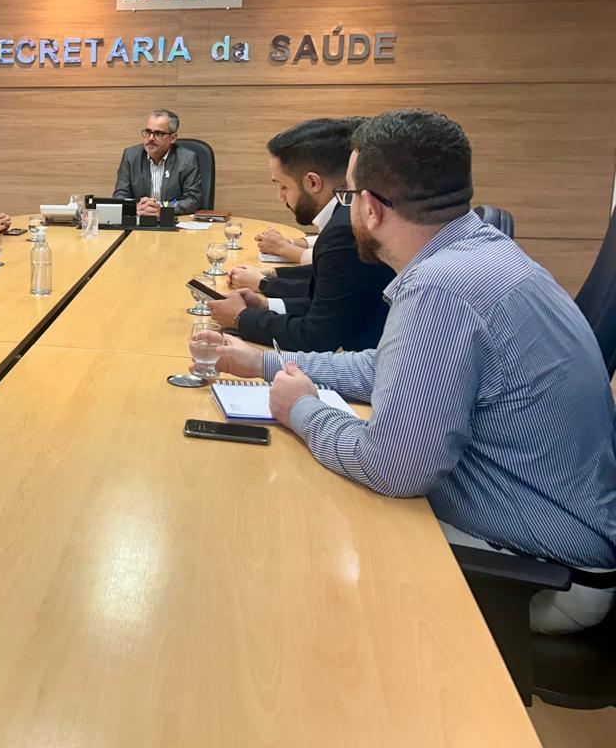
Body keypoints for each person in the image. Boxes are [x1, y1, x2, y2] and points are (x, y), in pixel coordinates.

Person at [214, 109, 616, 633]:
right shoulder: (480, 252)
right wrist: (267, 363)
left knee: (289, 526)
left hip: (543, 566)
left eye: (348, 196)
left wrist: (302, 410)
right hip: (556, 522)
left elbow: (392, 467)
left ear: (371, 208)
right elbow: (389, 366)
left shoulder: (439, 289)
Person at [210, 117, 393, 351]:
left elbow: (316, 337)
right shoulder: (344, 218)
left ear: (313, 182)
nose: (280, 197)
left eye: (283, 186)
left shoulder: (343, 230)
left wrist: (241, 318)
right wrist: (266, 306)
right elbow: (328, 305)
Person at [113, 110, 204, 216]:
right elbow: (120, 195)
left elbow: (192, 199)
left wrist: (163, 208)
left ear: (172, 138)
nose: (150, 138)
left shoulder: (187, 159)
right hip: (139, 220)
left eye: (158, 133)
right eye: (148, 132)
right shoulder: (131, 156)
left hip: (170, 222)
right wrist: (136, 208)